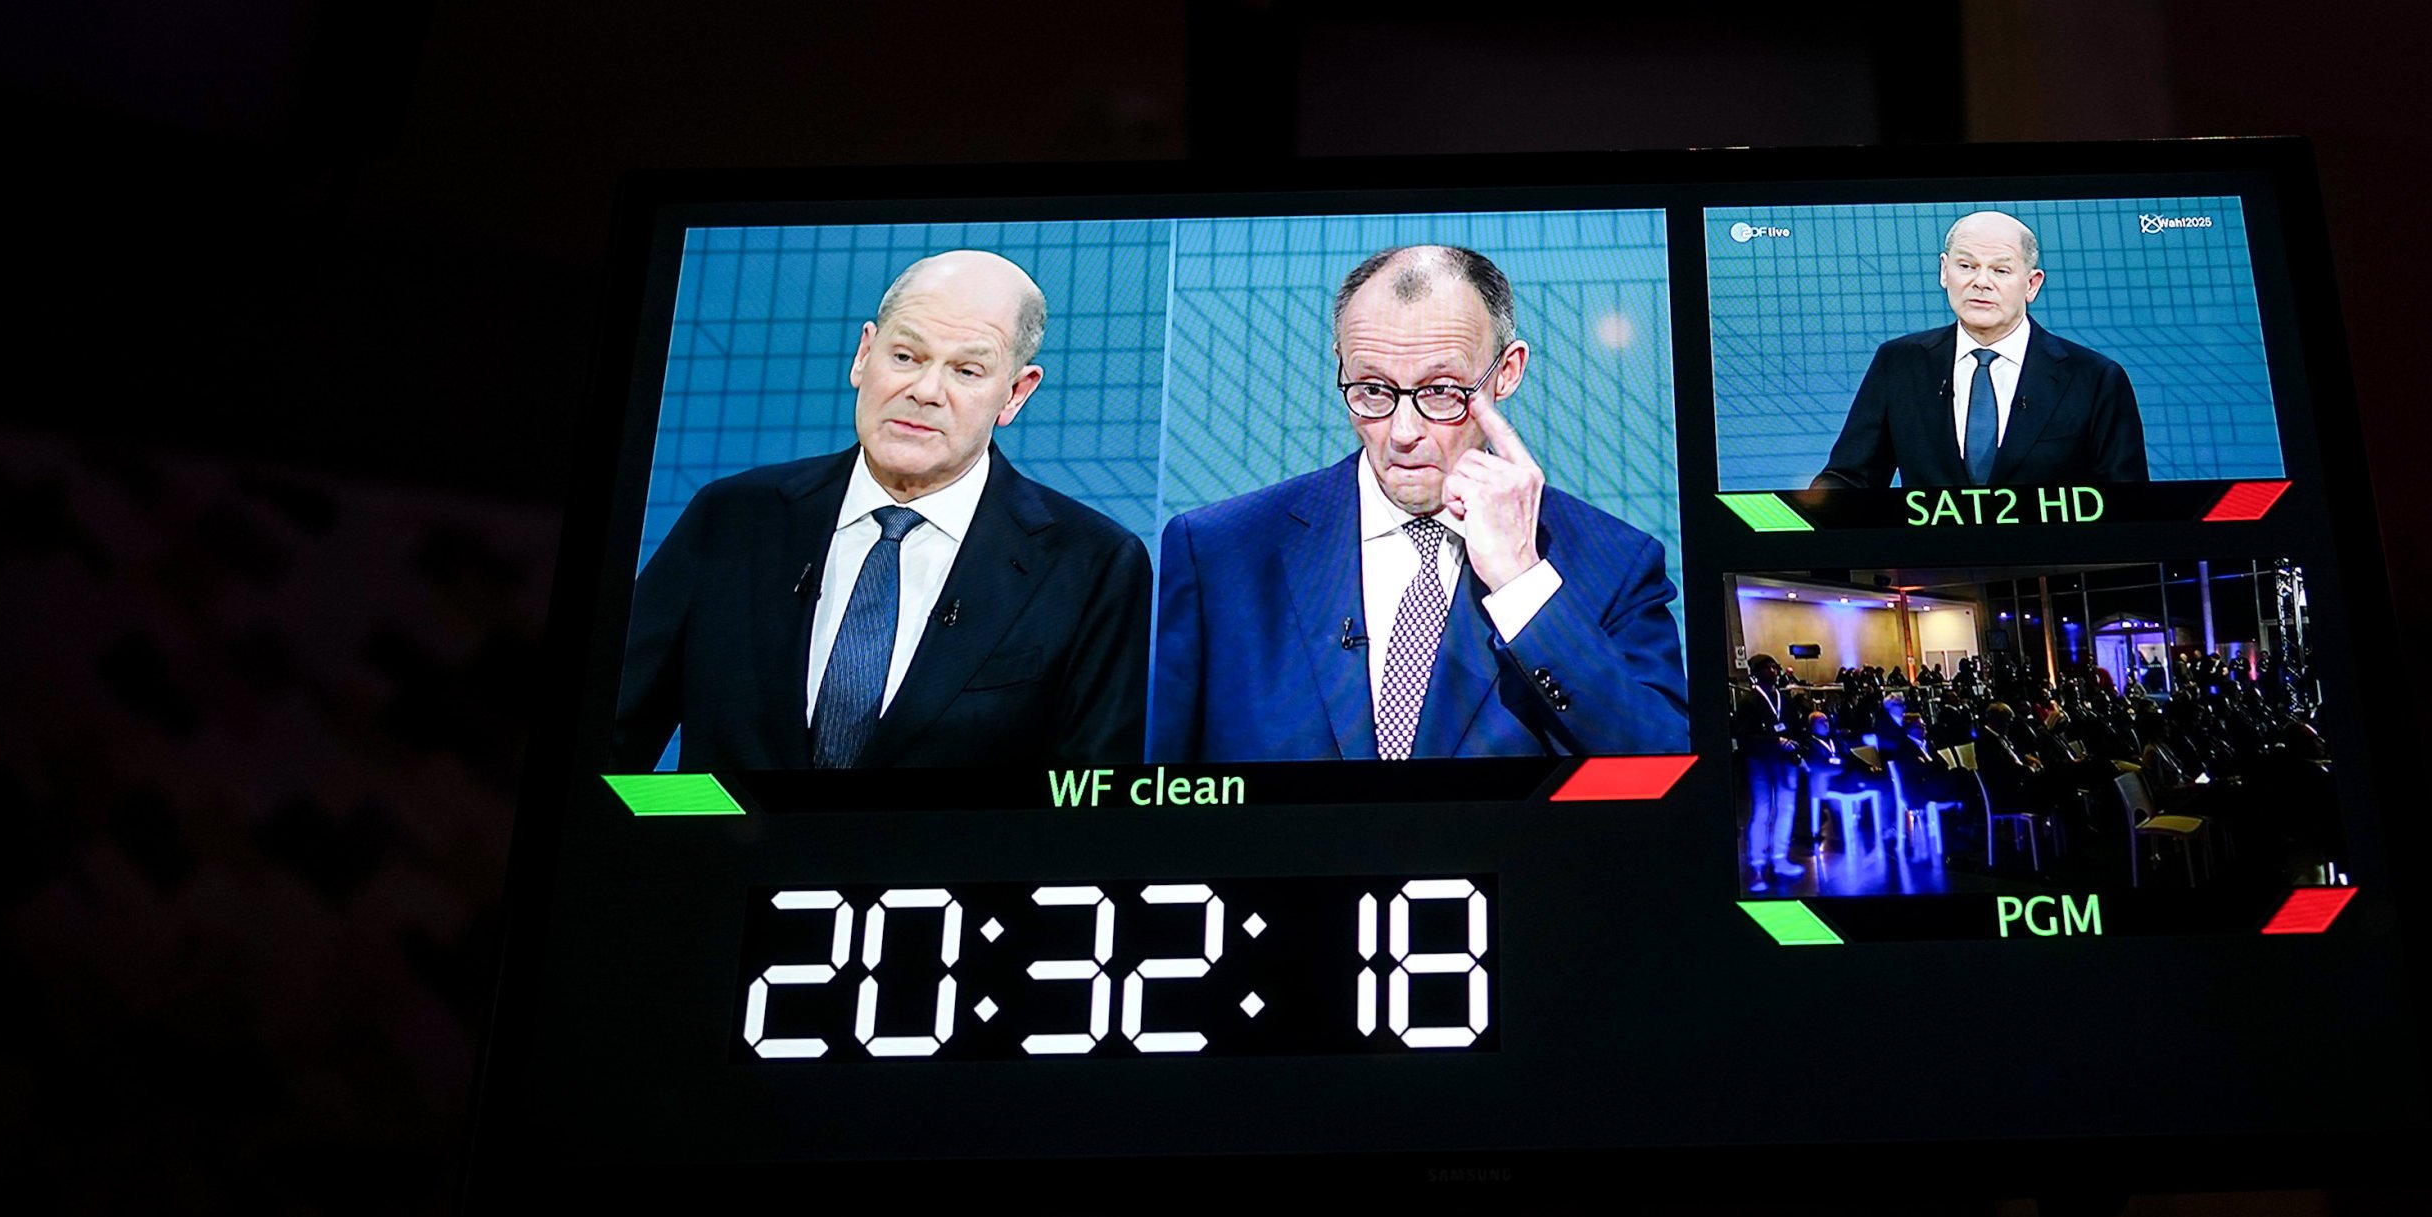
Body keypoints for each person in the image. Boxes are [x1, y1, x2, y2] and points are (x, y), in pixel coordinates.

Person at [1148, 243, 1688, 762]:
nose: (1403, 432)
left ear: (1507, 372)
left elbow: (1670, 772)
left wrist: (1523, 587)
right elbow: (1166, 801)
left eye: (1441, 391)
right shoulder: (1218, 553)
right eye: (1374, 389)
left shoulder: (1616, 562)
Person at [612, 251, 1146, 773]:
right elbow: (604, 758)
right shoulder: (731, 517)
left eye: (966, 370)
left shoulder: (1091, 564)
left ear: (1015, 394)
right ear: (864, 354)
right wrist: (692, 826)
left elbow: (1085, 811)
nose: (925, 391)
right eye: (906, 357)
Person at [1813, 210, 2150, 492]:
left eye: (2000, 270)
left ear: (2032, 284)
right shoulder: (1900, 363)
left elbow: (2127, 504)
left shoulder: (2094, 378)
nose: (1981, 282)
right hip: (1934, 569)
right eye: (1966, 266)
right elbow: (1851, 479)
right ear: (1945, 271)